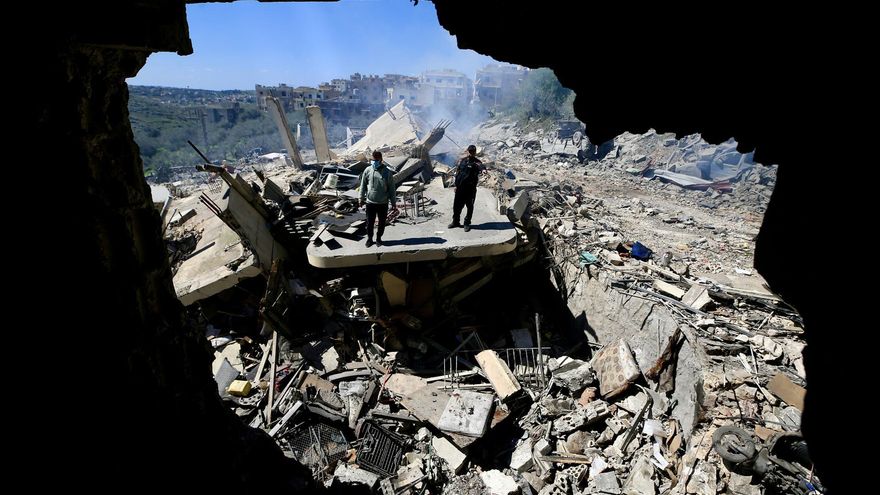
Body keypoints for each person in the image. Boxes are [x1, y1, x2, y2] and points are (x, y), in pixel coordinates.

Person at [359, 151, 396, 247]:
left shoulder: (387, 172)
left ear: (381, 160)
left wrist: (393, 203)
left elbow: (392, 189)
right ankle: (369, 239)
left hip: (382, 203)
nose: (374, 161)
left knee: (381, 223)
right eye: (373, 160)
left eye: (377, 160)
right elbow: (362, 185)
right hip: (370, 202)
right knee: (370, 223)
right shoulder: (367, 170)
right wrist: (360, 198)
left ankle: (379, 238)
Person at [449, 144, 485, 232]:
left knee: (469, 207)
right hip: (460, 188)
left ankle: (467, 223)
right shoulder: (462, 161)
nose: (471, 153)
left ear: (475, 152)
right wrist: (456, 186)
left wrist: (484, 170)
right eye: (470, 151)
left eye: (473, 152)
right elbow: (458, 173)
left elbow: (482, 167)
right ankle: (455, 222)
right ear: (467, 151)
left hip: (470, 189)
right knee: (456, 207)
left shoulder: (477, 162)